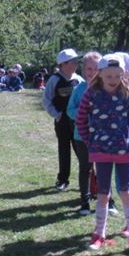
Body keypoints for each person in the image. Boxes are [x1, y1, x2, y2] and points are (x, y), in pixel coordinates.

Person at [76, 53, 129, 256]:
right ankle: (99, 234)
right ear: (100, 74)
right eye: (109, 76)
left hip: (125, 151)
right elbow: (81, 118)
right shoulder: (91, 94)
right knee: (103, 194)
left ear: (124, 74)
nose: (113, 80)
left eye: (117, 76)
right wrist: (89, 141)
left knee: (127, 193)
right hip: (100, 152)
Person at [66, 52, 106, 216]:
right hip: (81, 136)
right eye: (89, 69)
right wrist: (83, 113)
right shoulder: (78, 89)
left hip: (103, 136)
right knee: (85, 169)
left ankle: (108, 201)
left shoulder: (106, 88)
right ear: (83, 70)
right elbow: (70, 110)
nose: (92, 72)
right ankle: (84, 203)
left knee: (104, 169)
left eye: (96, 68)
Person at [42, 49, 84, 191]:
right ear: (63, 64)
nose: (76, 64)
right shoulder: (54, 80)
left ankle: (89, 180)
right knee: (64, 150)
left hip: (78, 121)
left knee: (82, 151)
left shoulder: (79, 80)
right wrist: (57, 115)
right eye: (73, 61)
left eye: (76, 61)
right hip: (63, 121)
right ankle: (63, 180)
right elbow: (46, 100)